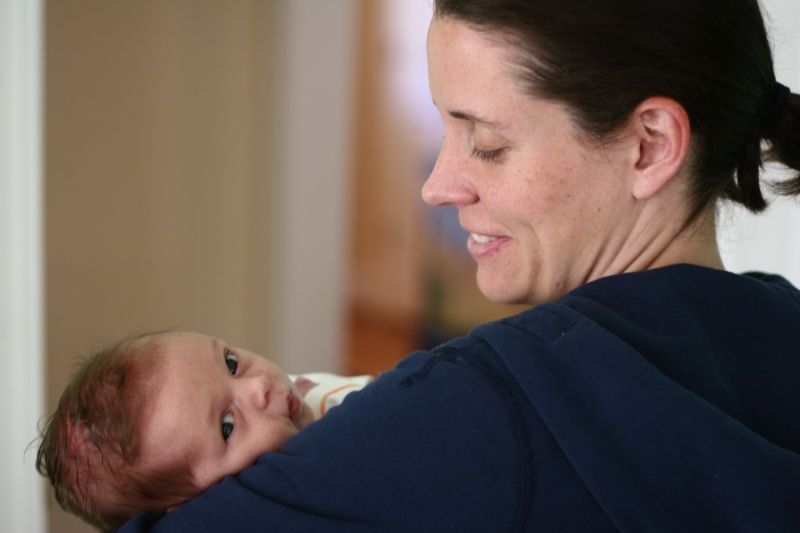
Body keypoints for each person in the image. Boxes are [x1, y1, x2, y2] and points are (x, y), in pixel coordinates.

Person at [118, 0, 800, 531]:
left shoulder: (480, 410)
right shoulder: (782, 328)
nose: (439, 185)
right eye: (446, 130)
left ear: (650, 146)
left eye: (487, 143)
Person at [36, 331, 371, 532]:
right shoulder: (316, 485)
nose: (258, 386)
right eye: (227, 425)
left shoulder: (294, 391)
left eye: (230, 364)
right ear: (209, 502)